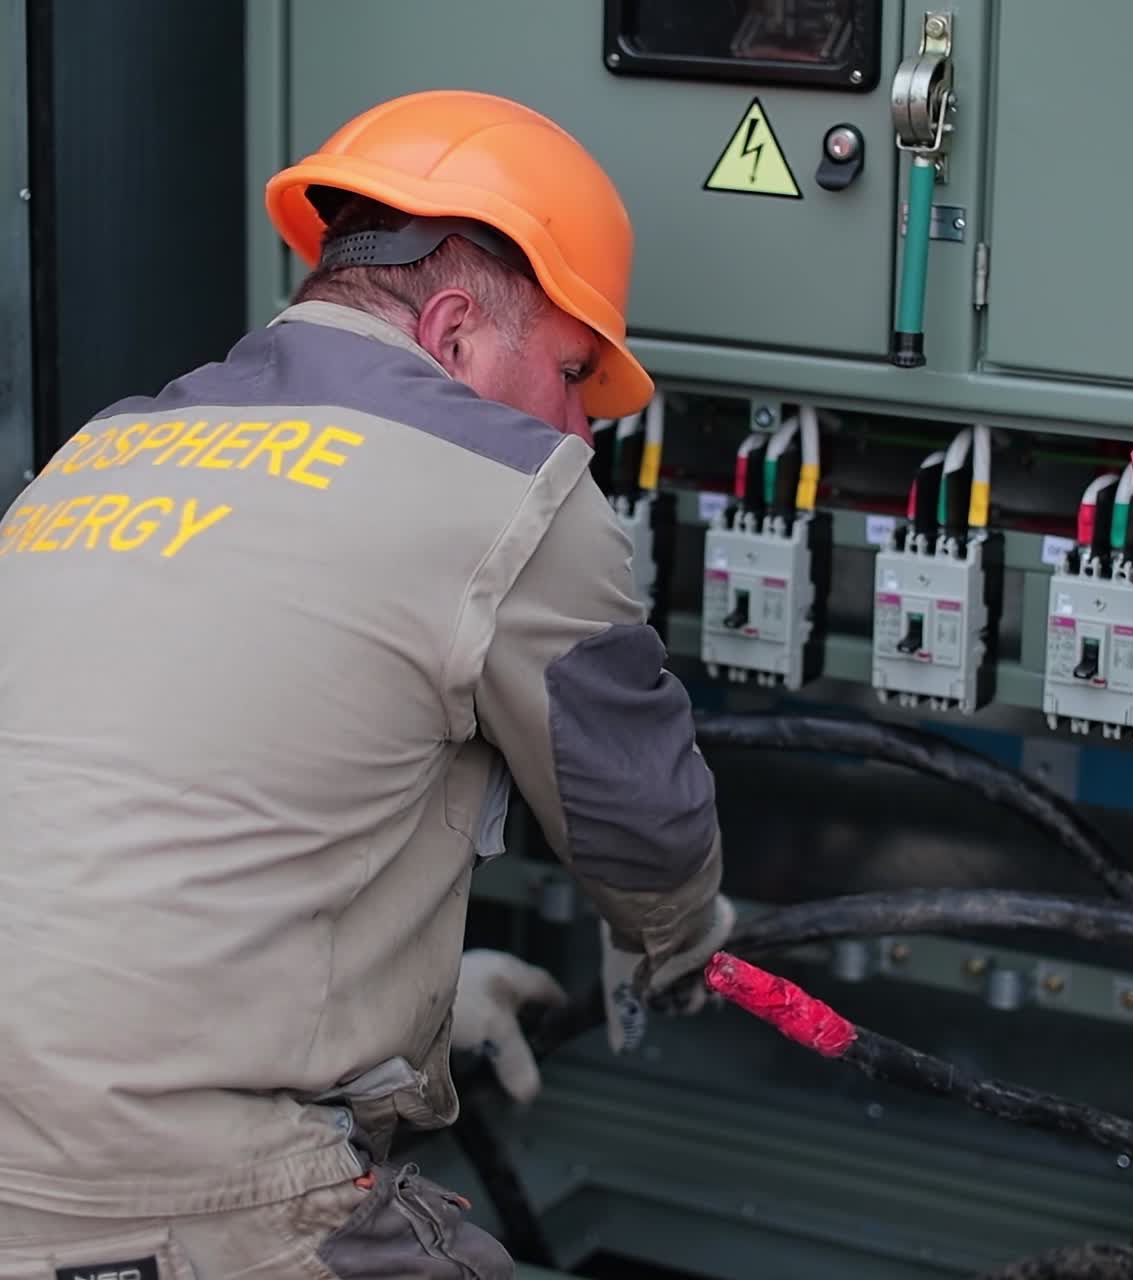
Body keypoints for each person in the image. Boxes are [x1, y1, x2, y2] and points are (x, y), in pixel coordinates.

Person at [0, 90, 732, 1280]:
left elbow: (137, 830)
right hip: (177, 1187)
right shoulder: (517, 490)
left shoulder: (97, 451)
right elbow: (646, 833)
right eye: (569, 371)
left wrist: (406, 1011)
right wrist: (679, 941)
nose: (580, 429)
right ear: (451, 331)